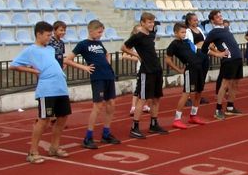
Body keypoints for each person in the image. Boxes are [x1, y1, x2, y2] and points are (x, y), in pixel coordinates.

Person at [9, 21, 73, 163]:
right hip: (47, 88)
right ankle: (32, 151)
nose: (50, 37)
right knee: (43, 119)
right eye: (48, 35)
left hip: (60, 87)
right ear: (39, 34)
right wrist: (33, 70)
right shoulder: (30, 50)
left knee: (63, 117)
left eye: (51, 35)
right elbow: (13, 65)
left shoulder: (50, 49)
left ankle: (54, 147)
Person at [71, 20, 121, 149]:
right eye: (99, 32)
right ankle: (88, 136)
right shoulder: (83, 44)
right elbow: (68, 59)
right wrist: (84, 67)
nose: (100, 34)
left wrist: (108, 64)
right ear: (91, 30)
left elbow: (107, 54)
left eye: (102, 32)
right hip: (98, 78)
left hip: (108, 75)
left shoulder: (99, 43)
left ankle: (106, 133)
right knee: (98, 106)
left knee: (111, 104)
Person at [121, 12, 168, 137]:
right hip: (146, 71)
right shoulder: (138, 36)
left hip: (156, 69)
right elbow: (124, 47)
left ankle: (154, 124)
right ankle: (134, 127)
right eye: (149, 22)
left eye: (153, 22)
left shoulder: (151, 34)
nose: (152, 24)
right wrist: (137, 55)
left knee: (156, 97)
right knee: (142, 99)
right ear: (142, 23)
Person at [203, 9, 245, 119]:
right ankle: (218, 109)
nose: (220, 18)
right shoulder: (213, 32)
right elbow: (204, 48)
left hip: (237, 58)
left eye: (220, 16)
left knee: (235, 83)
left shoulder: (225, 28)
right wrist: (218, 54)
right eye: (217, 17)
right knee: (225, 84)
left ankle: (230, 107)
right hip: (229, 60)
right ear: (212, 21)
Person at [165, 22, 207, 128]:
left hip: (199, 67)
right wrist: (178, 70)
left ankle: (193, 115)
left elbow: (196, 49)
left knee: (199, 92)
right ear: (175, 33)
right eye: (182, 32)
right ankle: (177, 119)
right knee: (186, 93)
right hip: (190, 69)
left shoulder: (188, 42)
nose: (184, 34)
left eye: (185, 32)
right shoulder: (174, 44)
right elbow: (168, 60)